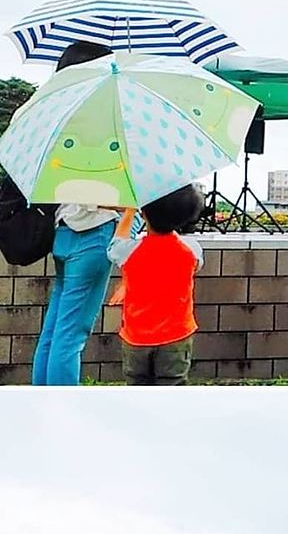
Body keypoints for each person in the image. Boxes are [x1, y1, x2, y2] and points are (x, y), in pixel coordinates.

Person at [32, 41, 119, 386]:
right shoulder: (99, 125)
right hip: (94, 234)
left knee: (54, 332)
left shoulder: (57, 119)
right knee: (72, 336)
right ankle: (62, 416)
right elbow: (102, 195)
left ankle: (40, 407)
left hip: (64, 234)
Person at [107, 185, 203, 385]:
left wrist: (129, 212)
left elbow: (114, 246)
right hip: (176, 336)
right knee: (173, 387)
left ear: (144, 213)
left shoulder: (129, 252)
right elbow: (196, 266)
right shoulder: (191, 250)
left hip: (136, 337)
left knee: (137, 386)